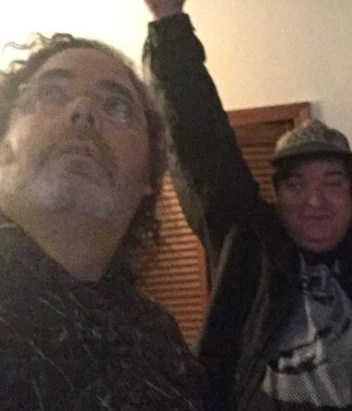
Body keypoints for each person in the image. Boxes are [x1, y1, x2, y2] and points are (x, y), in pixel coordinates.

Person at [144, 0, 352, 409]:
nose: (315, 201)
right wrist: (169, 22)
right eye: (296, 185)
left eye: (332, 183)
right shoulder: (249, 247)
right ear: (276, 196)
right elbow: (199, 143)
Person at [0, 33, 207, 409]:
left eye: (118, 107)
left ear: (148, 177)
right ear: (3, 147)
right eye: (51, 94)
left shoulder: (161, 339)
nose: (83, 111)